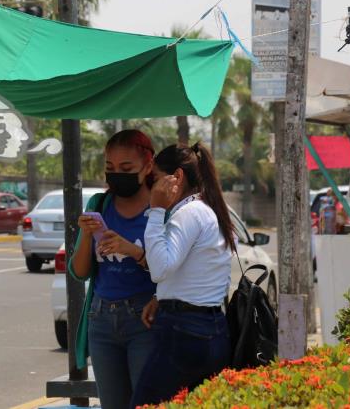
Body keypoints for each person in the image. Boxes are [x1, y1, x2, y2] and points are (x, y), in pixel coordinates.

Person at [130, 142, 234, 407]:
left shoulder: (188, 213)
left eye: (154, 179)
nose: (150, 187)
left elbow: (160, 268)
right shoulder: (208, 209)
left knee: (145, 404)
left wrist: (156, 210)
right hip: (212, 328)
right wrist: (162, 296)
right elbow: (195, 271)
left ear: (176, 177)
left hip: (184, 330)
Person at [69, 130, 158, 409]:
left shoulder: (160, 207)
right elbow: (79, 272)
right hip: (101, 318)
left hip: (145, 318)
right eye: (110, 168)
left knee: (146, 402)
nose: (116, 174)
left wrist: (131, 250)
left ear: (148, 166)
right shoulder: (99, 204)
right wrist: (86, 235)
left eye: (126, 168)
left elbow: (170, 269)